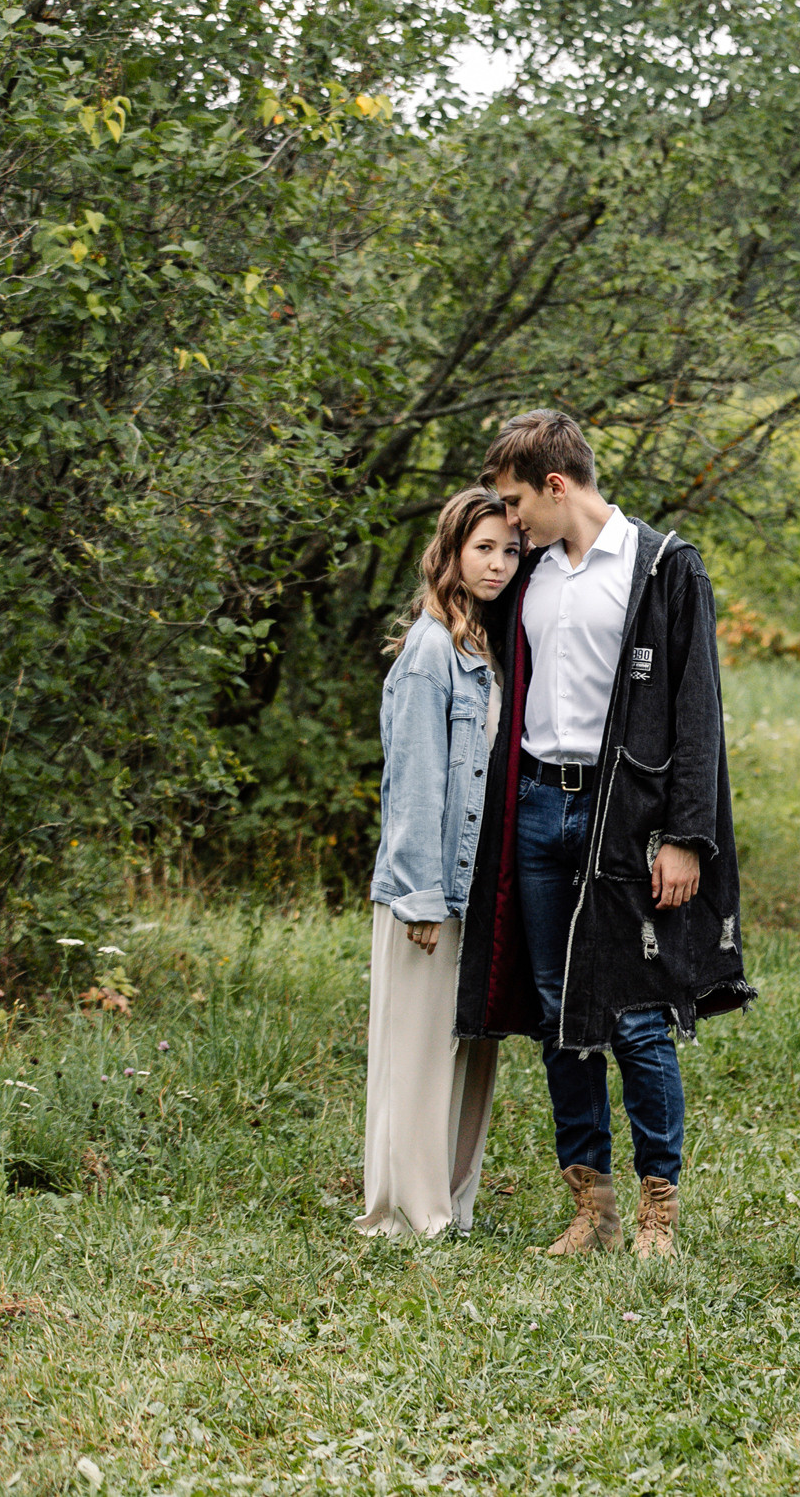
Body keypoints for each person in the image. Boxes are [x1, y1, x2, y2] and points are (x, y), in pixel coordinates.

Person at [452, 408, 753, 1258]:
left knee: (636, 1015)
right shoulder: (533, 575)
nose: (509, 525)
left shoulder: (661, 567)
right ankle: (592, 1205)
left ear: (556, 485)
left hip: (628, 820)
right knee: (557, 1011)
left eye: (515, 504)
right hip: (541, 808)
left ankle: (660, 1209)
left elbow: (699, 710)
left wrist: (687, 835)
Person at [359, 489, 522, 1237]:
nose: (498, 563)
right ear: (452, 551)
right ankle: (408, 1211)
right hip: (429, 891)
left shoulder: (482, 646)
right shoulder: (430, 652)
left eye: (510, 550)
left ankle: (451, 1207)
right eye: (484, 547)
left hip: (475, 885)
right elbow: (416, 784)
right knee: (420, 1055)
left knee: (468, 1050)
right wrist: (421, 896)